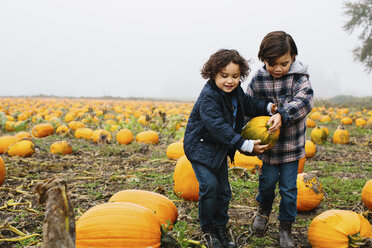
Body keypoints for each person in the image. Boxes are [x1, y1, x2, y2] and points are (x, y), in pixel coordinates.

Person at [183, 49, 282, 248]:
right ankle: (209, 230)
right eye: (224, 76)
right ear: (213, 74)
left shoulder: (235, 91)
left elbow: (248, 103)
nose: (230, 81)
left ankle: (220, 227)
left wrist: (267, 107)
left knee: (224, 191)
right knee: (210, 188)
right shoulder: (209, 97)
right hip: (200, 149)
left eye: (235, 76)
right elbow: (217, 126)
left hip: (219, 150)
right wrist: (242, 143)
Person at [246, 31, 314, 248]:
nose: (277, 68)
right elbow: (248, 105)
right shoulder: (258, 80)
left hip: (291, 148)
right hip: (268, 149)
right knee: (266, 185)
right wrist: (243, 134)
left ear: (293, 56)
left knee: (288, 190)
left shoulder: (299, 78)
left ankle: (285, 228)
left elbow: (306, 101)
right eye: (271, 63)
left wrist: (282, 115)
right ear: (263, 59)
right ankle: (263, 213)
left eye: (283, 63)